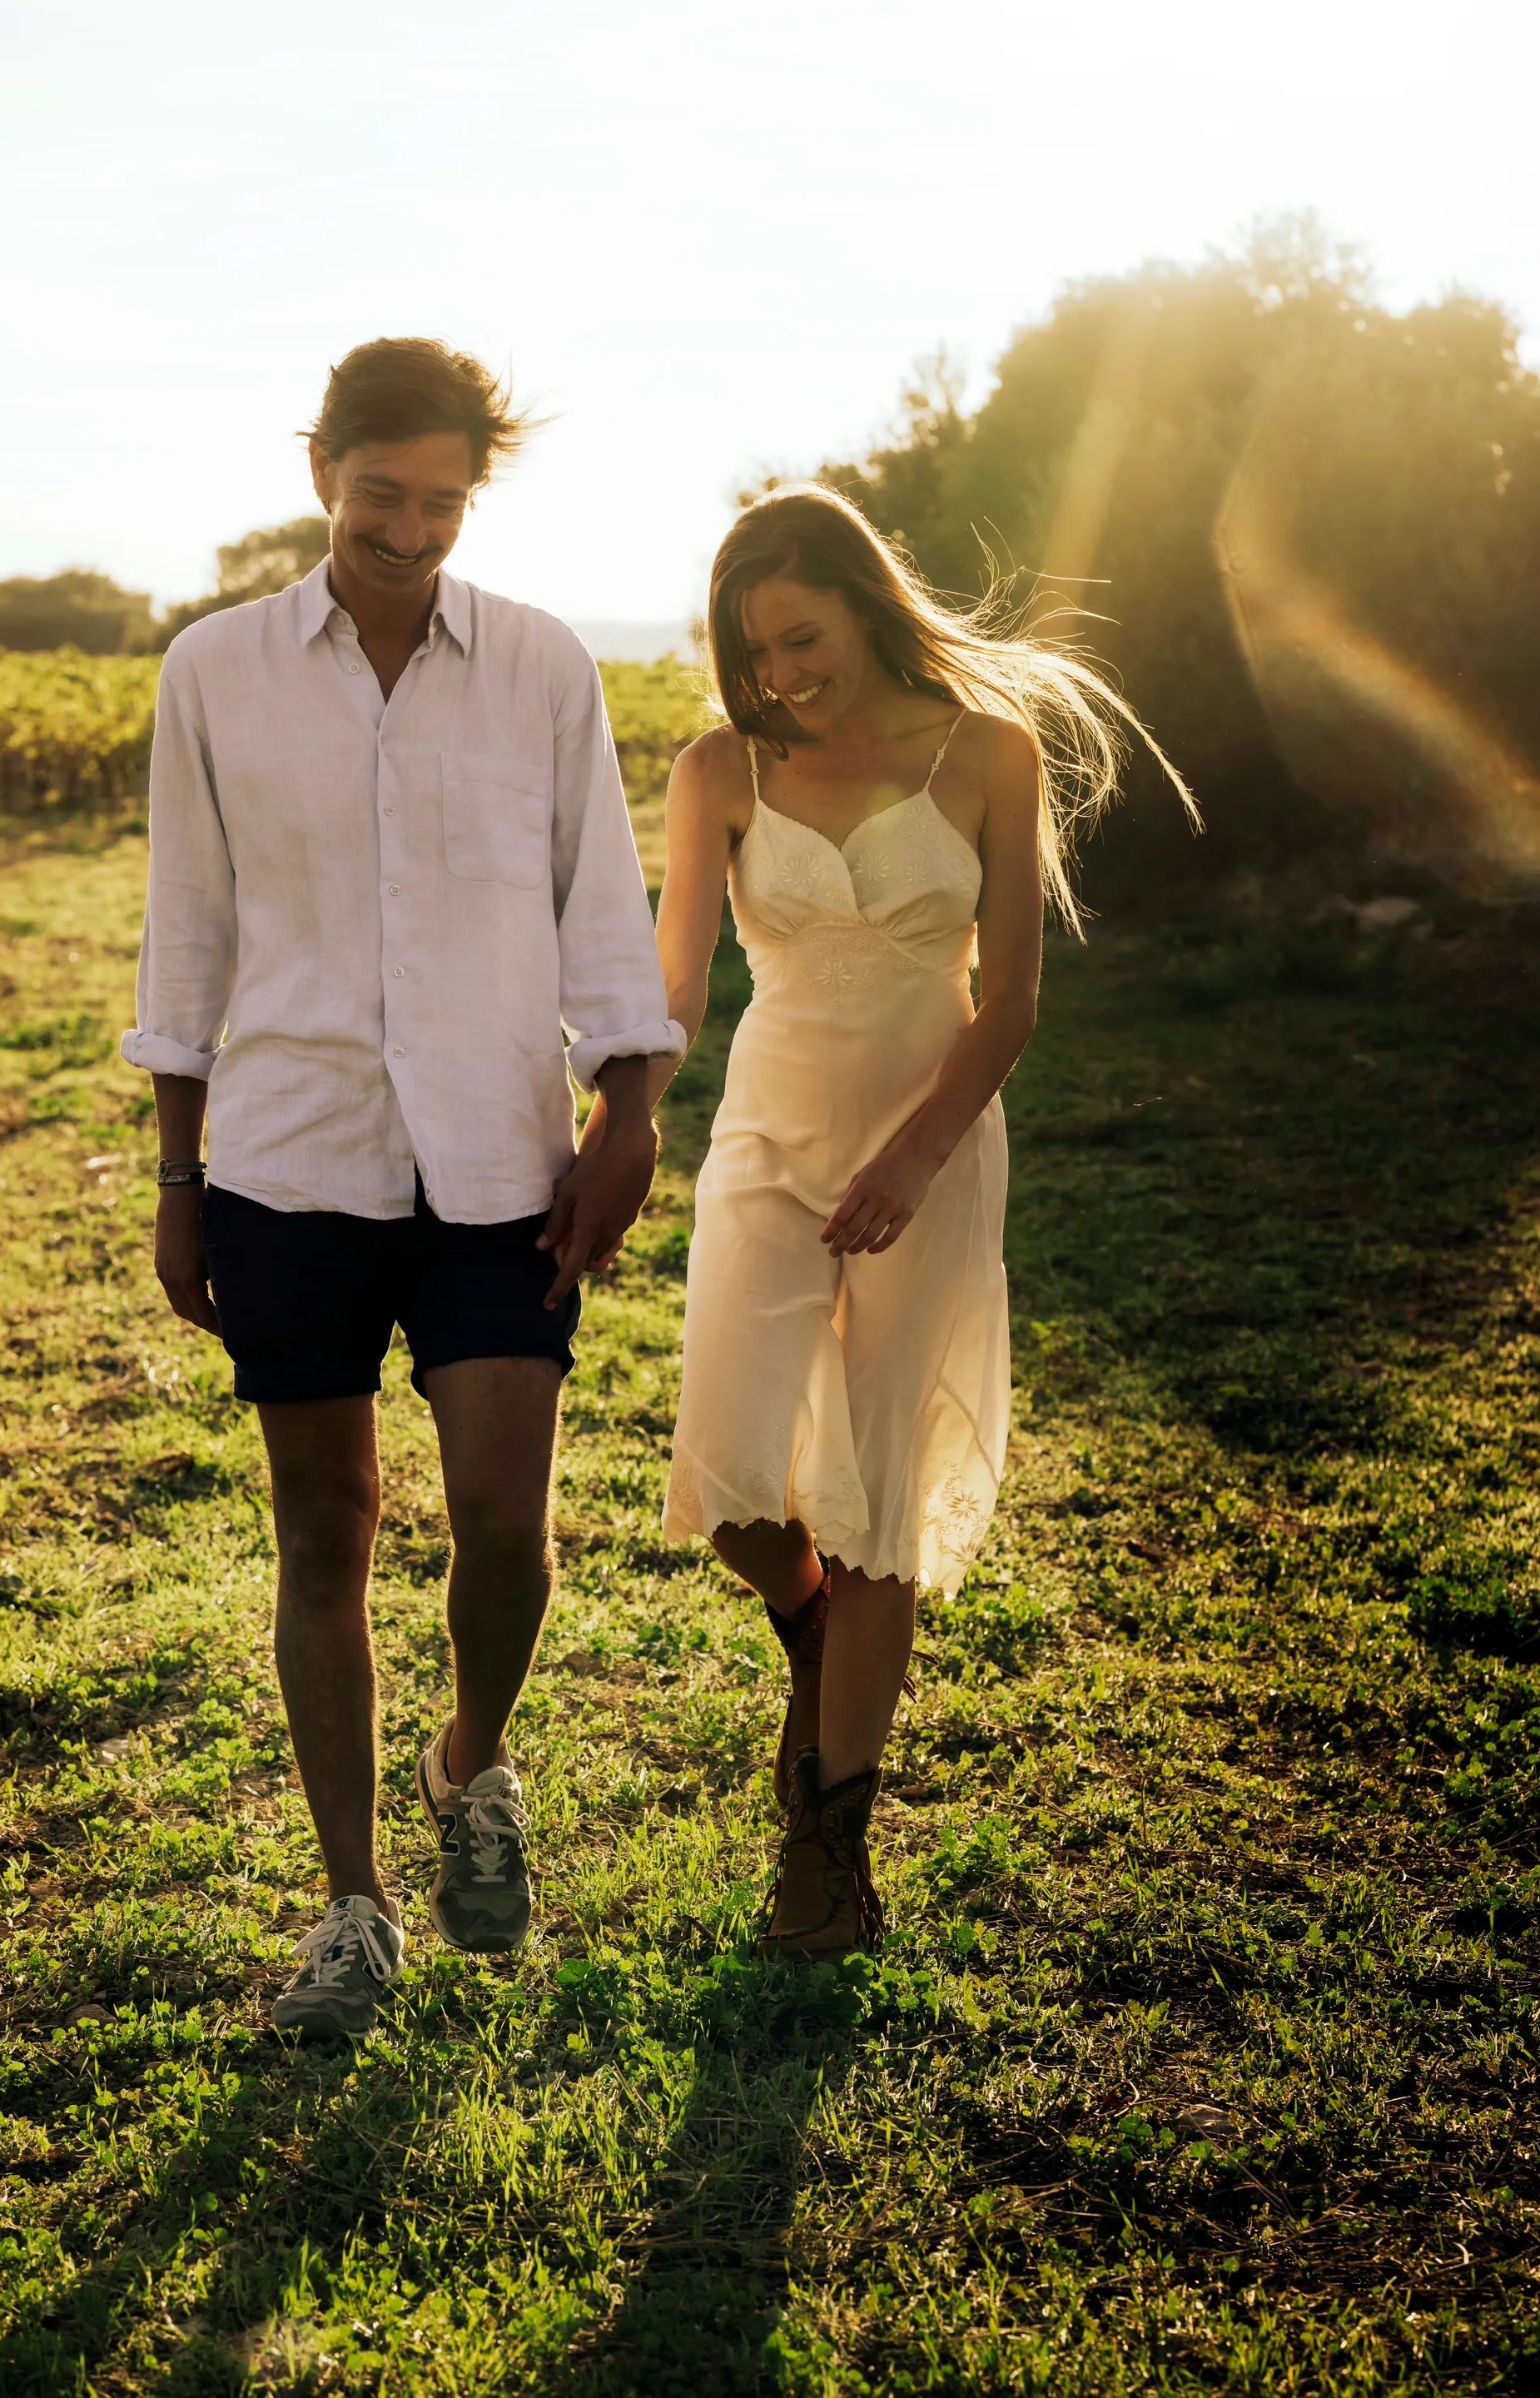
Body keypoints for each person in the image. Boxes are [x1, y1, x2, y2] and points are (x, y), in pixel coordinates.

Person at [122, 338, 683, 2035]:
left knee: (508, 1524)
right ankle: (352, 1903)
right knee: (327, 1531)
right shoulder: (215, 671)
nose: (413, 529)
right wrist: (177, 1175)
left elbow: (603, 899)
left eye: (444, 503)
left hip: (502, 1158)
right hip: (288, 1156)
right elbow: (189, 926)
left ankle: (471, 1762)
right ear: (323, 473)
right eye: (385, 496)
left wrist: (631, 1109)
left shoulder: (539, 667)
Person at [653, 486, 1193, 1953]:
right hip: (768, 1136)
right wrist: (610, 1115)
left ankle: (827, 1852)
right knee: (737, 1479)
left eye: (804, 638)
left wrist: (918, 1153)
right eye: (756, 652)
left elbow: (1009, 994)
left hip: (934, 1144)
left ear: (867, 602)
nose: (783, 675)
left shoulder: (988, 753)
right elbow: (676, 984)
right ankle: (811, 1625)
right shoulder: (720, 769)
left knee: (883, 1493)